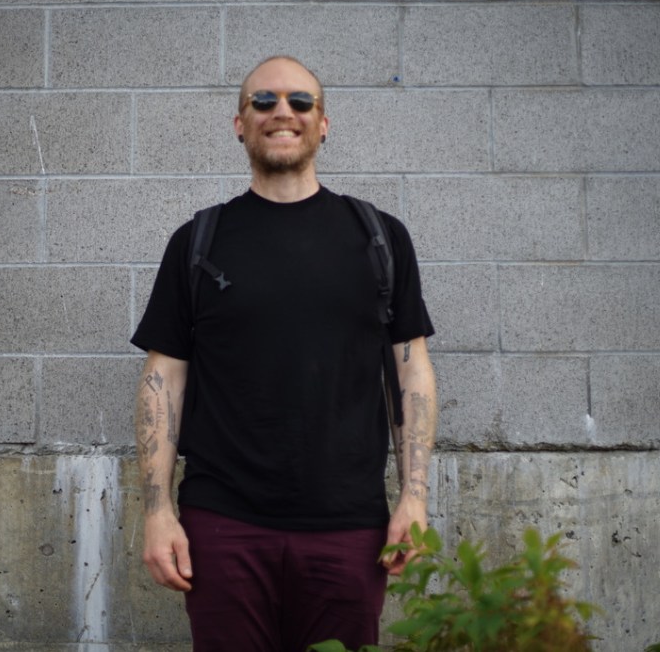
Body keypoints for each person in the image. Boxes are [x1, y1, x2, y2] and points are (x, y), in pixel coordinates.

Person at [131, 55, 437, 652]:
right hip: (223, 524)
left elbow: (411, 375)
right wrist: (157, 511)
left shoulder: (379, 238)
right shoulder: (198, 241)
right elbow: (162, 380)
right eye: (263, 101)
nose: (282, 112)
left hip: (349, 525)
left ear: (323, 123)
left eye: (300, 101)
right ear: (239, 123)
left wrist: (414, 497)